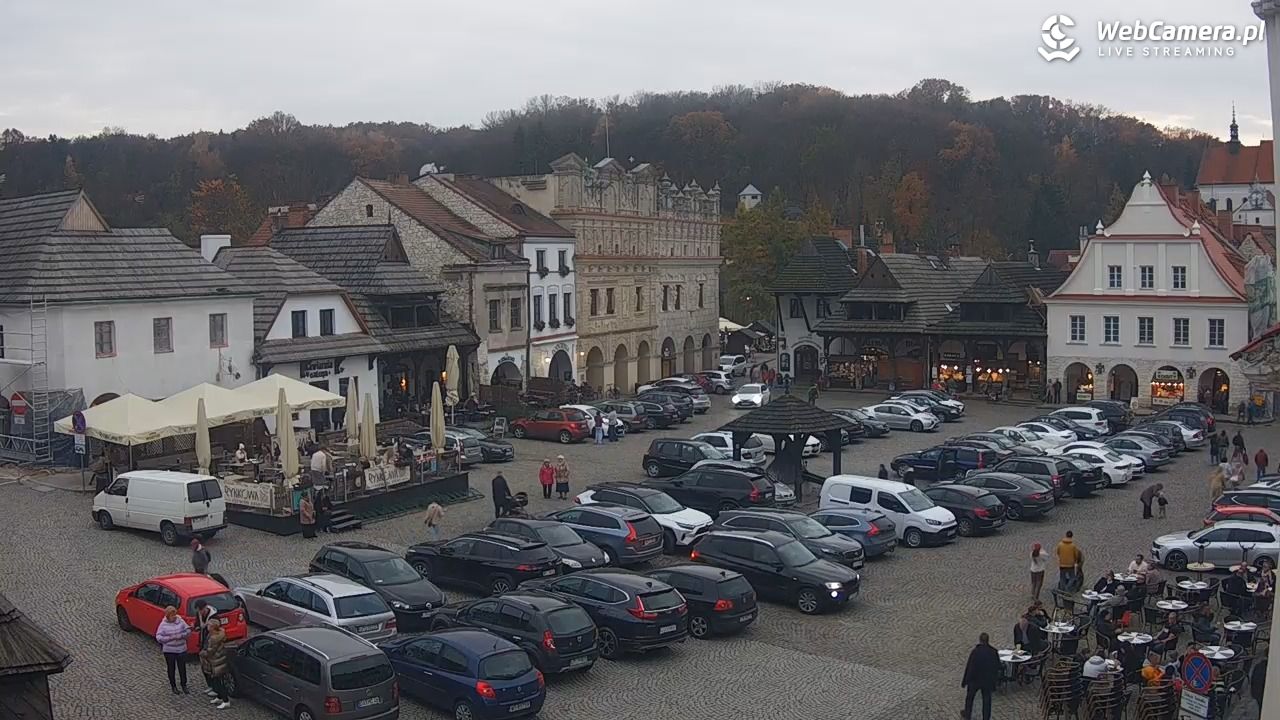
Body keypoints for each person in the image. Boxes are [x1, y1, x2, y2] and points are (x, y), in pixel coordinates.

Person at [960, 632, 1001, 720]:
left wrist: (965, 681)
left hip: (975, 680)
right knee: (987, 700)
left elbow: (970, 668)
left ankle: (967, 715)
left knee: (970, 698)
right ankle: (986, 717)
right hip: (987, 681)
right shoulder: (993, 652)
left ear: (980, 640)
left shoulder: (975, 652)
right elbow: (997, 667)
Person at [155, 606, 191, 694]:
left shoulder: (181, 621)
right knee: (171, 668)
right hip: (169, 650)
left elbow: (188, 631)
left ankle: (184, 684)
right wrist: (169, 638)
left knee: (182, 668)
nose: (174, 616)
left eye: (175, 614)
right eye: (172, 615)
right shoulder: (163, 624)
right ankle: (173, 686)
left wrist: (182, 635)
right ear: (168, 616)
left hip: (181, 649)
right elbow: (159, 637)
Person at [200, 620, 231, 709]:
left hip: (216, 663)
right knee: (216, 681)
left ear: (213, 627)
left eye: (209, 625)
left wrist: (202, 653)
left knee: (219, 682)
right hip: (215, 662)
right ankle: (219, 697)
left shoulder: (214, 638)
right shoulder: (213, 635)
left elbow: (210, 651)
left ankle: (226, 700)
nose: (207, 626)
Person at [193, 600, 219, 697]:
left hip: (210, 645)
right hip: (202, 643)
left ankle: (216, 688)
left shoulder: (214, 616)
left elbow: (216, 631)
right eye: (199, 611)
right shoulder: (199, 614)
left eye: (201, 611)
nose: (200, 613)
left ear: (205, 607)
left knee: (212, 668)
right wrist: (196, 627)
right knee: (204, 667)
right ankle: (210, 685)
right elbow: (197, 624)